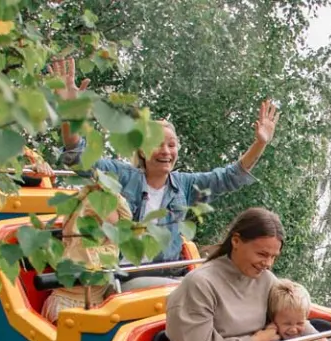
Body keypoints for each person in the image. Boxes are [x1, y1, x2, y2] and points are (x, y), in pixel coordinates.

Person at [48, 57, 279, 262]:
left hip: (167, 272)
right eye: (157, 143)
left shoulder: (185, 186)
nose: (166, 151)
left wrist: (260, 143)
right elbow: (78, 156)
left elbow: (230, 176)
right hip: (125, 273)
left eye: (171, 144)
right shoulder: (121, 176)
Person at [163, 208, 285, 341]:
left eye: (273, 257)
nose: (268, 264)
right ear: (236, 241)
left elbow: (292, 319)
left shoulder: (267, 281)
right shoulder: (200, 284)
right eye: (262, 254)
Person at [42, 182, 135, 324]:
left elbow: (126, 221)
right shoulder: (79, 248)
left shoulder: (109, 243)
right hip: (68, 305)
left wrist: (113, 193)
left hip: (97, 305)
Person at [261, 279, 329, 341]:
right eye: (287, 324)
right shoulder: (269, 332)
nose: (294, 329)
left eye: (299, 323)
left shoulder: (306, 328)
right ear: (273, 319)